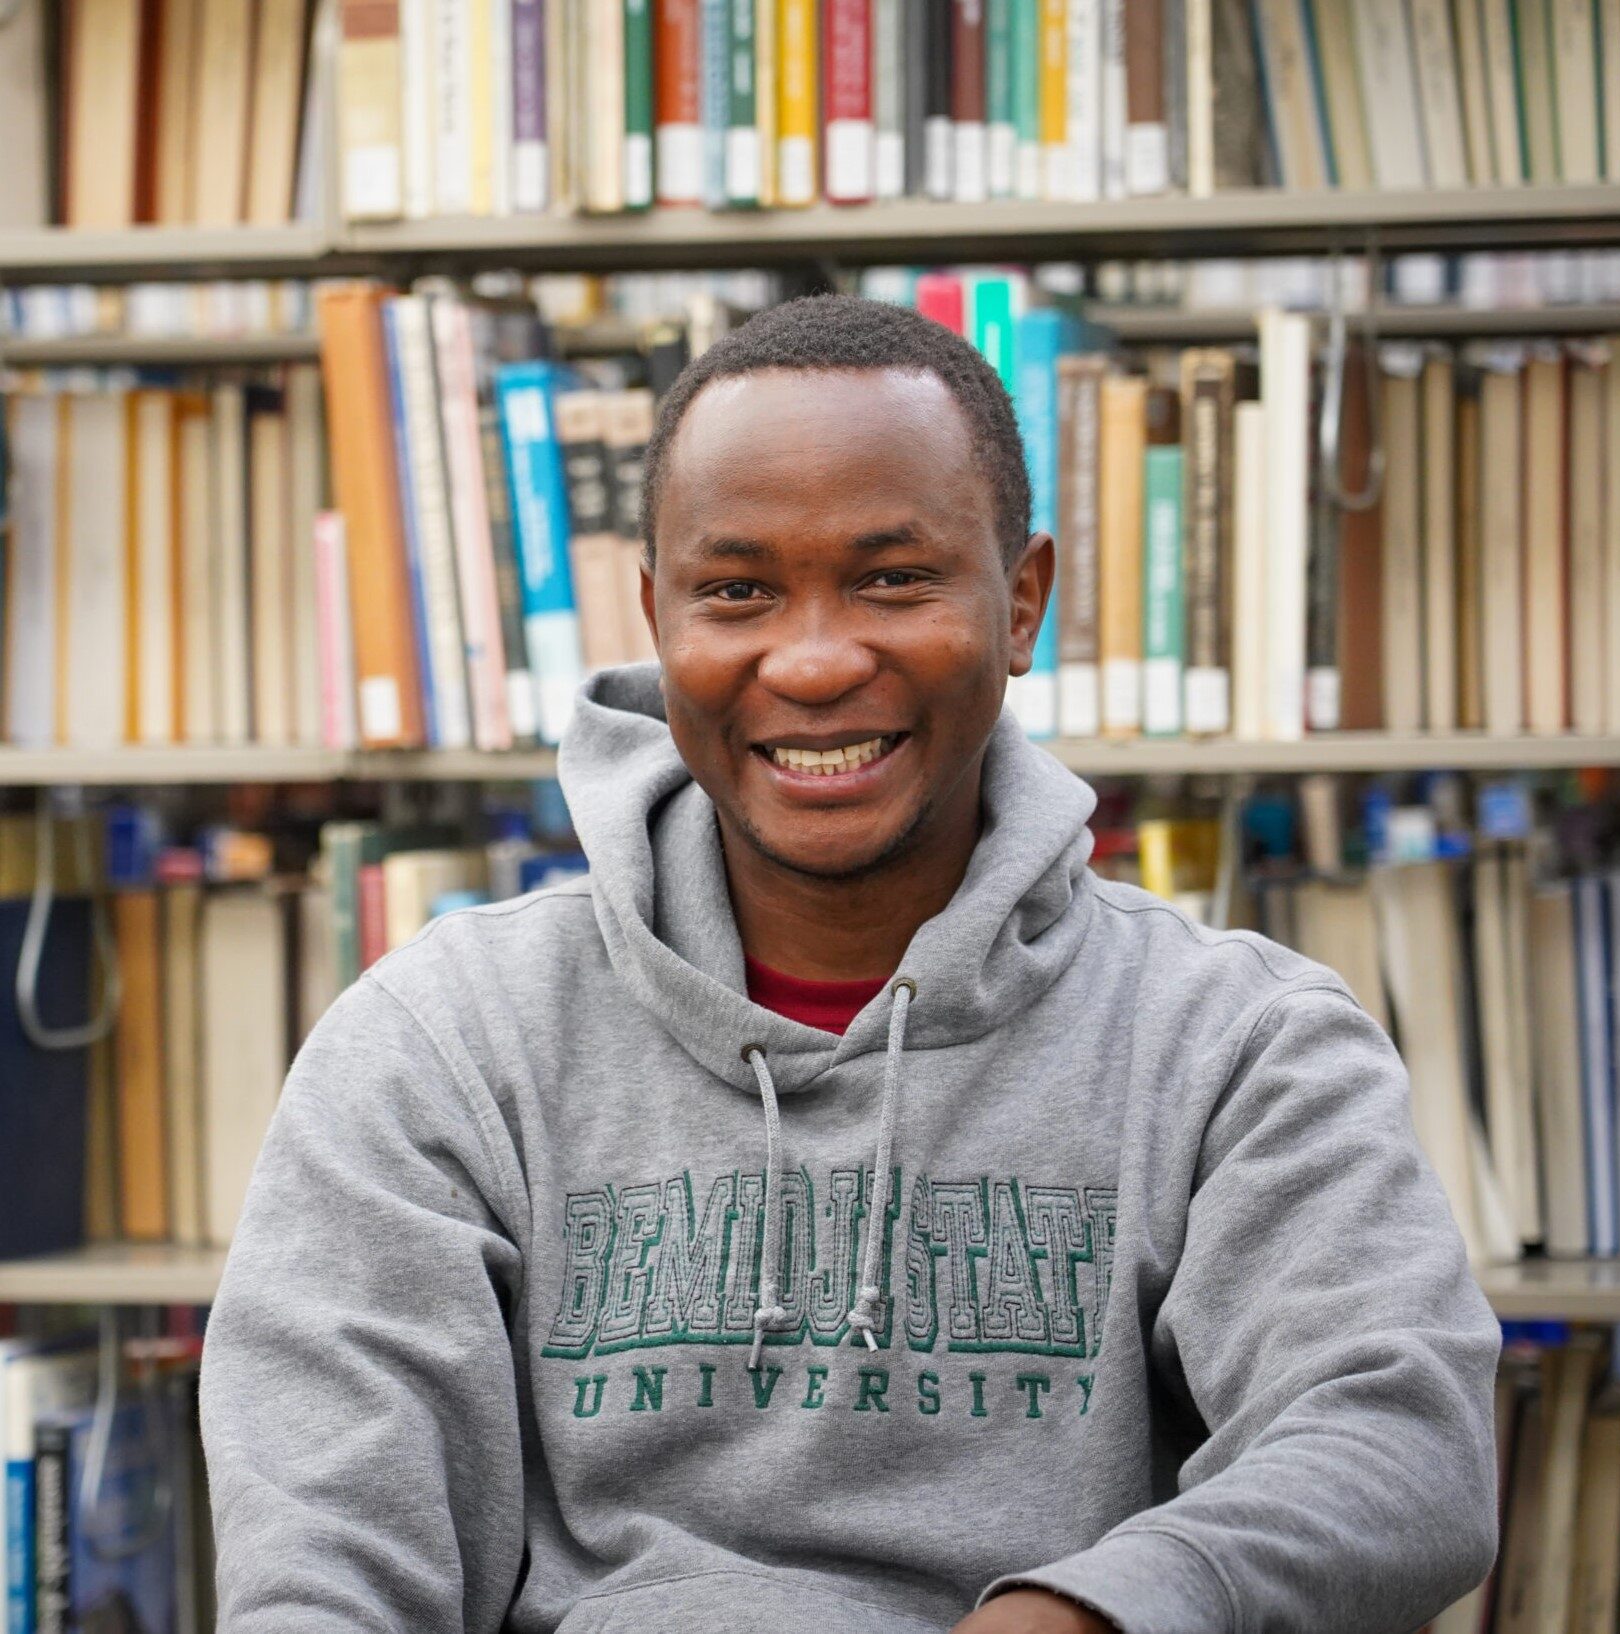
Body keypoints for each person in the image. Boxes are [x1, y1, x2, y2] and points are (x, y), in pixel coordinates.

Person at [200, 295, 1501, 1634]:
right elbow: (325, 1554)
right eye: (737, 590)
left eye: (891, 578)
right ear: (659, 618)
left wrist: (1094, 1611)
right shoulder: (437, 1043)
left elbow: (1397, 1442)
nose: (813, 659)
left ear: (1020, 604)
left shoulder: (1240, 1042)